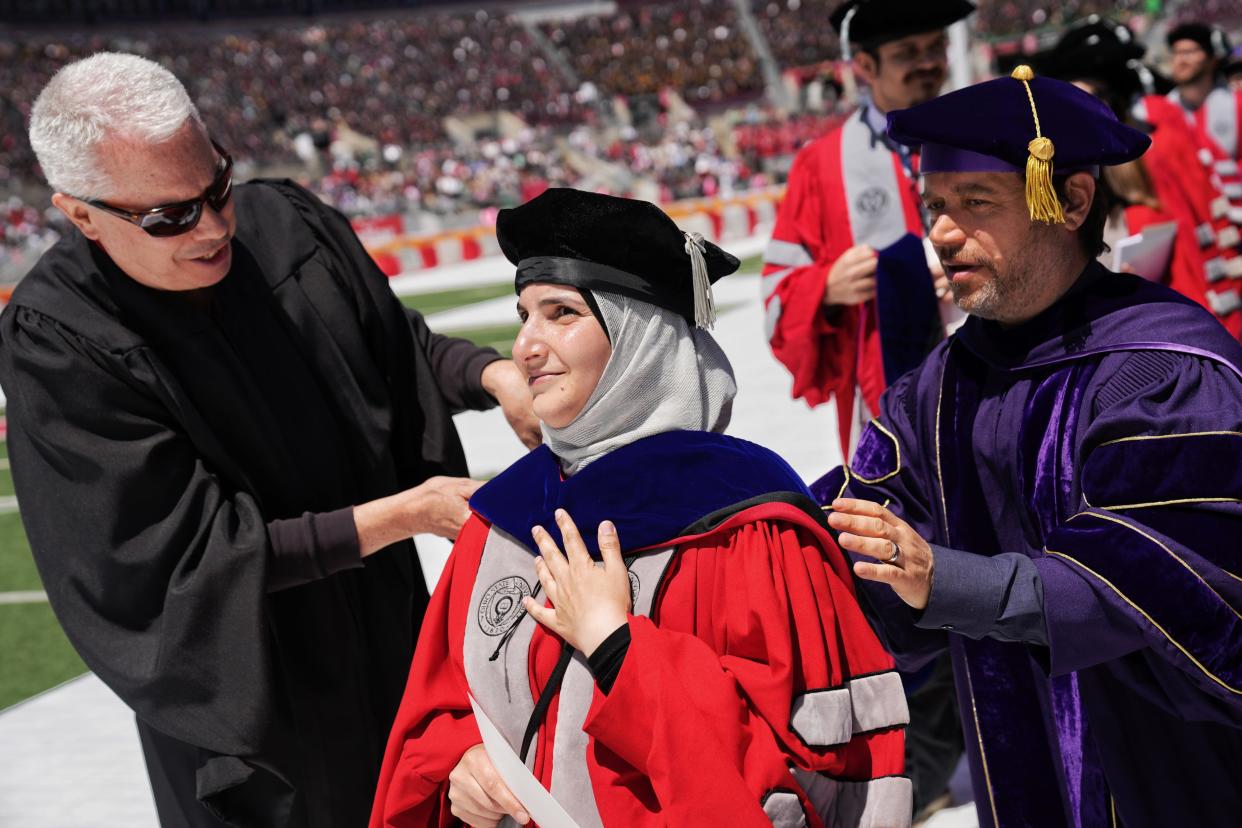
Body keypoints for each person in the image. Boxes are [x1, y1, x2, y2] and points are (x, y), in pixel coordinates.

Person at [0, 52, 539, 827]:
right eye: (168, 217)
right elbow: (177, 562)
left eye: (215, 185)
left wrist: (493, 378)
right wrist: (404, 515)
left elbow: (389, 347)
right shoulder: (61, 343)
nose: (215, 226)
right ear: (80, 214)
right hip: (254, 712)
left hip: (389, 640)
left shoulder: (285, 224)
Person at [370, 188, 911, 828]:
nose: (524, 348)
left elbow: (800, 781)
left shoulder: (748, 527)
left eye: (561, 313)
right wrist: (457, 760)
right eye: (524, 316)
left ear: (639, 337)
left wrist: (619, 648)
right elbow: (435, 713)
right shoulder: (504, 520)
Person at [813, 67, 1242, 828]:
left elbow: (1151, 583)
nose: (942, 233)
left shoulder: (1164, 370)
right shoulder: (941, 384)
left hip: (1173, 774)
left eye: (976, 204)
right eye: (935, 206)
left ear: (1072, 200)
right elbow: (859, 511)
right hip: (1021, 768)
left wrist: (945, 580)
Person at [761, 0, 974, 458]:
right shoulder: (821, 166)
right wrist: (825, 288)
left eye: (935, 47)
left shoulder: (983, 139)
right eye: (907, 52)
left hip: (999, 373)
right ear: (864, 65)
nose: (928, 63)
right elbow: (777, 293)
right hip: (887, 397)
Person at [1039, 18, 1242, 337]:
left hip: (1172, 323)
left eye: (1092, 97)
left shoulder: (1157, 143)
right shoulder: (1047, 164)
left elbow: (1197, 253)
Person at [1166, 22, 1242, 230]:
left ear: (1212, 59)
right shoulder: (1164, 113)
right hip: (1196, 231)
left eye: (1189, 52)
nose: (1180, 59)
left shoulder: (1237, 105)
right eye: (1176, 53)